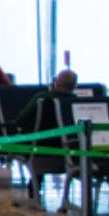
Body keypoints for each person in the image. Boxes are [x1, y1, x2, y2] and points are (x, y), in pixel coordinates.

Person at [15, 69, 78, 204]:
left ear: (56, 82)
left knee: (36, 141)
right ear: (75, 86)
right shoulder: (75, 103)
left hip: (38, 152)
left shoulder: (41, 98)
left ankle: (34, 190)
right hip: (68, 155)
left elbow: (21, 120)